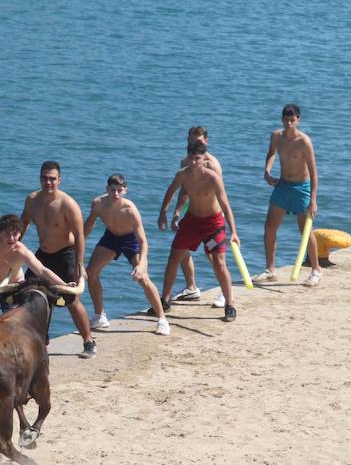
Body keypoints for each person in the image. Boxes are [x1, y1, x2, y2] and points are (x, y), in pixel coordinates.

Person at [19, 161, 98, 357]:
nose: (48, 182)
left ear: (59, 180)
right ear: (40, 178)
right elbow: (23, 224)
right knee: (30, 295)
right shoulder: (32, 200)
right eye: (45, 178)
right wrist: (13, 248)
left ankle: (89, 341)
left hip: (66, 255)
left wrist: (80, 265)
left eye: (52, 179)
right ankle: (40, 340)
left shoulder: (67, 204)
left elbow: (79, 235)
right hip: (43, 255)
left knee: (72, 299)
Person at [157, 141, 241, 322]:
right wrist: (164, 213)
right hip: (192, 223)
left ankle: (230, 304)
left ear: (204, 159)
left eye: (197, 159)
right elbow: (170, 192)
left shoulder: (212, 177)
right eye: (191, 159)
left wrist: (234, 232)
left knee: (219, 263)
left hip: (214, 225)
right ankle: (164, 301)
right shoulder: (183, 175)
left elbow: (225, 204)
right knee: (174, 258)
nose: (194, 163)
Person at [83, 173, 170, 336]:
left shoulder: (130, 210)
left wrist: (141, 264)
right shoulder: (98, 204)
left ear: (125, 191)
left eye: (119, 190)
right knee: (91, 272)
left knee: (143, 278)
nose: (115, 194)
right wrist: (76, 252)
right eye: (112, 190)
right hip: (110, 237)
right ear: (107, 189)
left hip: (131, 240)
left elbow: (143, 241)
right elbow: (86, 229)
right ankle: (99, 315)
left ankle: (162, 319)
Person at [254, 103, 321, 287]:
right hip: (282, 186)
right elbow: (271, 154)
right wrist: (267, 172)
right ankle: (270, 269)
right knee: (269, 227)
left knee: (305, 231)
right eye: (286, 120)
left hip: (302, 188)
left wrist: (313, 201)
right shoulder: (276, 136)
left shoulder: (304, 141)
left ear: (298, 120)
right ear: (282, 119)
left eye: (292, 120)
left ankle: (316, 270)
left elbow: (314, 173)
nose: (289, 123)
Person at [169, 126, 227, 306]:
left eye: (199, 141)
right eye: (192, 140)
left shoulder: (212, 164)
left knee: (213, 254)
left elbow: (220, 195)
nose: (195, 143)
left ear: (206, 142)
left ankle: (225, 293)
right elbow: (184, 190)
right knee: (182, 249)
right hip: (192, 215)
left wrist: (223, 221)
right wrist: (177, 212)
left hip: (212, 219)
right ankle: (191, 287)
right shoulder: (185, 162)